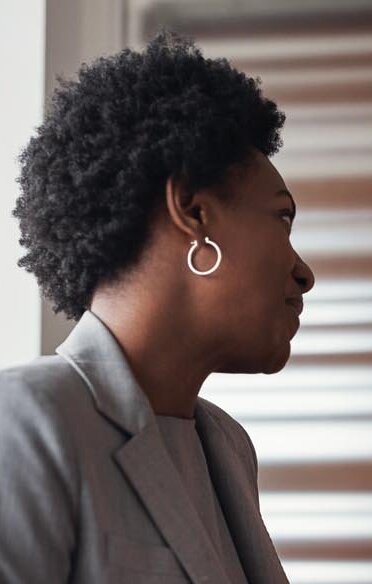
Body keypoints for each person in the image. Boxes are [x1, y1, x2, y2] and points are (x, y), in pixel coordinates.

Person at [0, 33, 314, 583]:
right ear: (192, 210)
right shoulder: (24, 422)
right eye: (281, 219)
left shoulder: (227, 446)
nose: (303, 272)